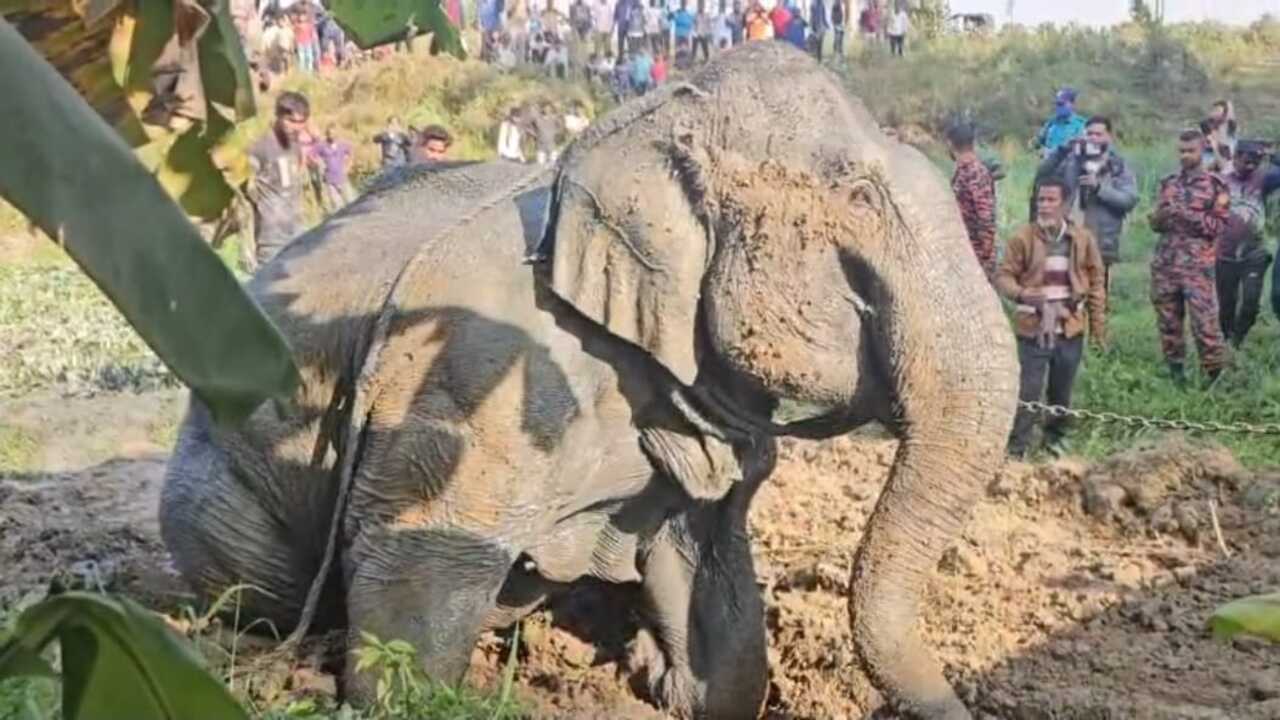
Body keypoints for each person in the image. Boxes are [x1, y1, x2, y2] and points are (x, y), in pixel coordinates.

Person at [996, 177, 1107, 459]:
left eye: (1051, 201)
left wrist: (1098, 329)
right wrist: (1022, 294)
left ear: (1066, 205)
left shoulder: (1082, 239)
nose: (1044, 206)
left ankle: (1054, 442)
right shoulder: (1023, 238)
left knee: (1061, 391)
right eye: (1040, 200)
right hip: (1033, 329)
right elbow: (1004, 277)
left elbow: (1096, 283)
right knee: (1028, 392)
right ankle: (1017, 448)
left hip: (1069, 328)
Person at [1149, 130, 1232, 386]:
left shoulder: (1216, 185)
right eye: (1181, 151)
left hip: (1197, 267)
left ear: (1202, 151)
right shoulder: (1169, 182)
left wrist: (1185, 214)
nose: (1185, 156)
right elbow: (1156, 224)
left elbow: (1218, 226)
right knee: (1168, 322)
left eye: (1190, 151)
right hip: (1166, 264)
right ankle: (1177, 376)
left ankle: (1214, 377)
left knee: (1205, 324)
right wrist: (1159, 217)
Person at [1035, 116, 1139, 294]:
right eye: (1089, 134)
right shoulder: (1072, 160)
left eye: (1098, 134)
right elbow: (1043, 174)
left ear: (1109, 137)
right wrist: (1062, 150)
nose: (1093, 138)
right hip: (1068, 236)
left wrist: (1099, 188)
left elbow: (1129, 199)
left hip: (1101, 240)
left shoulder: (1117, 165)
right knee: (1064, 291)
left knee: (1097, 295)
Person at [1217, 141, 1280, 348]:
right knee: (1226, 304)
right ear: (1235, 158)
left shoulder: (1265, 178)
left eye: (1256, 162)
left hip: (1255, 252)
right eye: (1246, 161)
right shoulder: (1220, 180)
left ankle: (1238, 339)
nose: (1251, 166)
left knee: (1251, 303)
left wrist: (1274, 156)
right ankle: (1227, 341)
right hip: (1224, 252)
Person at [245, 92, 311, 270]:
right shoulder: (260, 147)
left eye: (301, 122)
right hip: (271, 240)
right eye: (291, 121)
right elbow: (243, 193)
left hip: (298, 233)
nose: (296, 127)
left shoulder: (295, 145)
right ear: (278, 116)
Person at [946, 121, 997, 280]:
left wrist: (984, 255)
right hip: (966, 251)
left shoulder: (975, 172)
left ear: (949, 144)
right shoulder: (963, 171)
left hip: (977, 255)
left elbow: (986, 216)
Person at [1033, 87, 1087, 159]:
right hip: (1049, 165)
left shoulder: (1082, 125)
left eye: (1062, 104)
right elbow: (1036, 144)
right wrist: (1040, 152)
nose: (1058, 107)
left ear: (1072, 104)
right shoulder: (1050, 124)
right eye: (1057, 104)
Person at [311, 126, 355, 212]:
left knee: (351, 201)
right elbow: (311, 155)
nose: (332, 136)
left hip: (342, 177)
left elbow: (351, 152)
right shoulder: (322, 146)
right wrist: (319, 164)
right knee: (336, 205)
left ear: (337, 134)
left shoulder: (342, 144)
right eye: (329, 134)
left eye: (334, 134)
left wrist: (349, 166)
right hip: (329, 178)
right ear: (326, 135)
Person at [1201, 99, 1237, 173]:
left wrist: (1215, 147)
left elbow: (1226, 167)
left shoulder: (1231, 140)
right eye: (1215, 110)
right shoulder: (1205, 135)